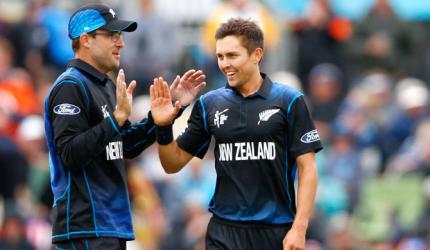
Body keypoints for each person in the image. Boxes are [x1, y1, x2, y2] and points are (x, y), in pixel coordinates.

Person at [150, 18, 322, 250]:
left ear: (257, 54)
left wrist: (299, 228)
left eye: (232, 55)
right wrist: (163, 127)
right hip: (224, 231)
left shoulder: (289, 101)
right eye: (220, 56)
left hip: (275, 231)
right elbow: (173, 164)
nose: (224, 64)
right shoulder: (209, 104)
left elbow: (308, 167)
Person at [44, 3, 205, 250]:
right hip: (84, 227)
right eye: (112, 36)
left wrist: (164, 115)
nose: (121, 43)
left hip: (109, 225)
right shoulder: (70, 86)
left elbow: (125, 146)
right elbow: (70, 155)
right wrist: (116, 119)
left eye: (120, 36)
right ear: (86, 39)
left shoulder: (104, 85)